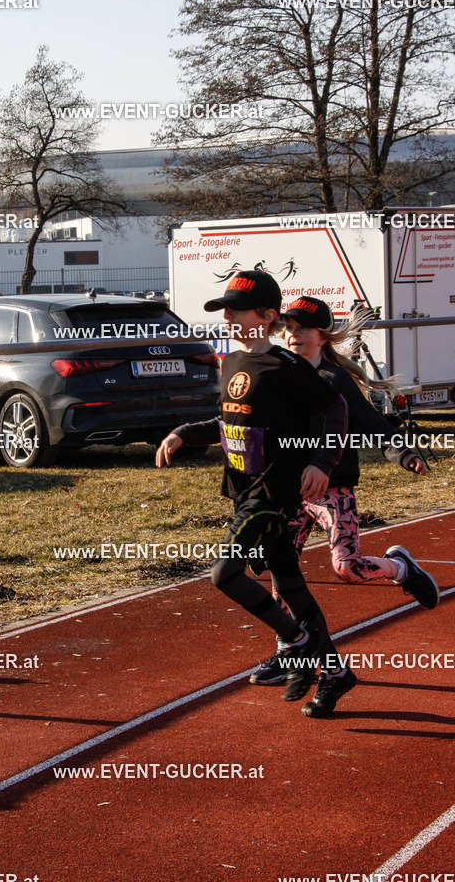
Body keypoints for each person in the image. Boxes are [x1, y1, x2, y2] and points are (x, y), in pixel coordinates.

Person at [156, 270, 350, 712]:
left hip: (272, 495)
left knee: (225, 574)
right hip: (243, 492)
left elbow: (335, 410)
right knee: (290, 584)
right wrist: (185, 433)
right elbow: (231, 424)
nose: (227, 317)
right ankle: (336, 673)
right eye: (223, 310)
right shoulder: (232, 362)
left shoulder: (287, 367)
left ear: (267, 316)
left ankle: (297, 641)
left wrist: (321, 462)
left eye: (236, 310)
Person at [249, 295, 439, 715]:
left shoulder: (335, 380)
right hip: (289, 493)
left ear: (323, 335)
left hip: (333, 490)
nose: (294, 335)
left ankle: (400, 566)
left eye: (304, 329)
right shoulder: (278, 372)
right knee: (282, 570)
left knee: (347, 568)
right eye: (289, 328)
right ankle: (290, 651)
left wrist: (403, 454)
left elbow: (372, 424)